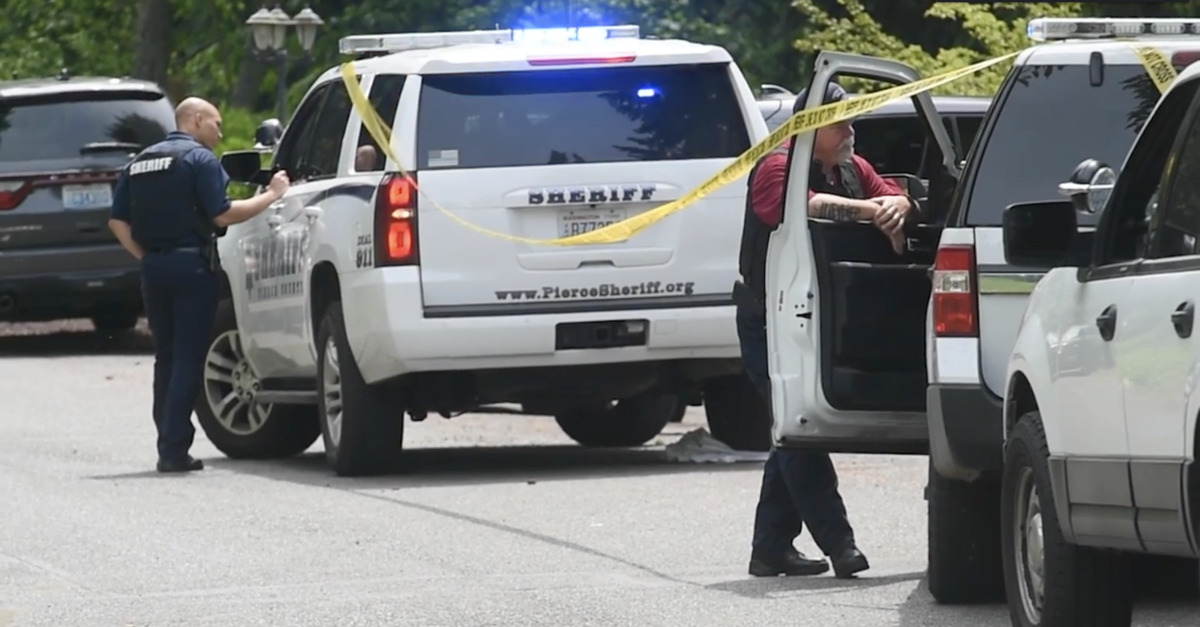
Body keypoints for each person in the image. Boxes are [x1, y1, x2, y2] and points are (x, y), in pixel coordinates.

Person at [734, 82, 915, 578]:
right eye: (843, 122)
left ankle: (769, 548)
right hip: (766, 318)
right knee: (798, 430)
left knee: (789, 429)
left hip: (812, 315)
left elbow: (892, 196)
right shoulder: (777, 165)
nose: (853, 130)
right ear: (814, 125)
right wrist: (869, 212)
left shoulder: (852, 170)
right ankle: (841, 545)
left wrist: (901, 207)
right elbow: (795, 206)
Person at [108, 97, 290, 473]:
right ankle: (173, 450)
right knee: (189, 357)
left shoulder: (139, 162)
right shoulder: (199, 160)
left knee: (167, 358)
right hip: (192, 265)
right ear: (196, 119)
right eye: (216, 124)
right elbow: (223, 212)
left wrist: (145, 256)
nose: (220, 133)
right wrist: (272, 194)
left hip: (154, 268)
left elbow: (117, 222)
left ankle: (168, 442)